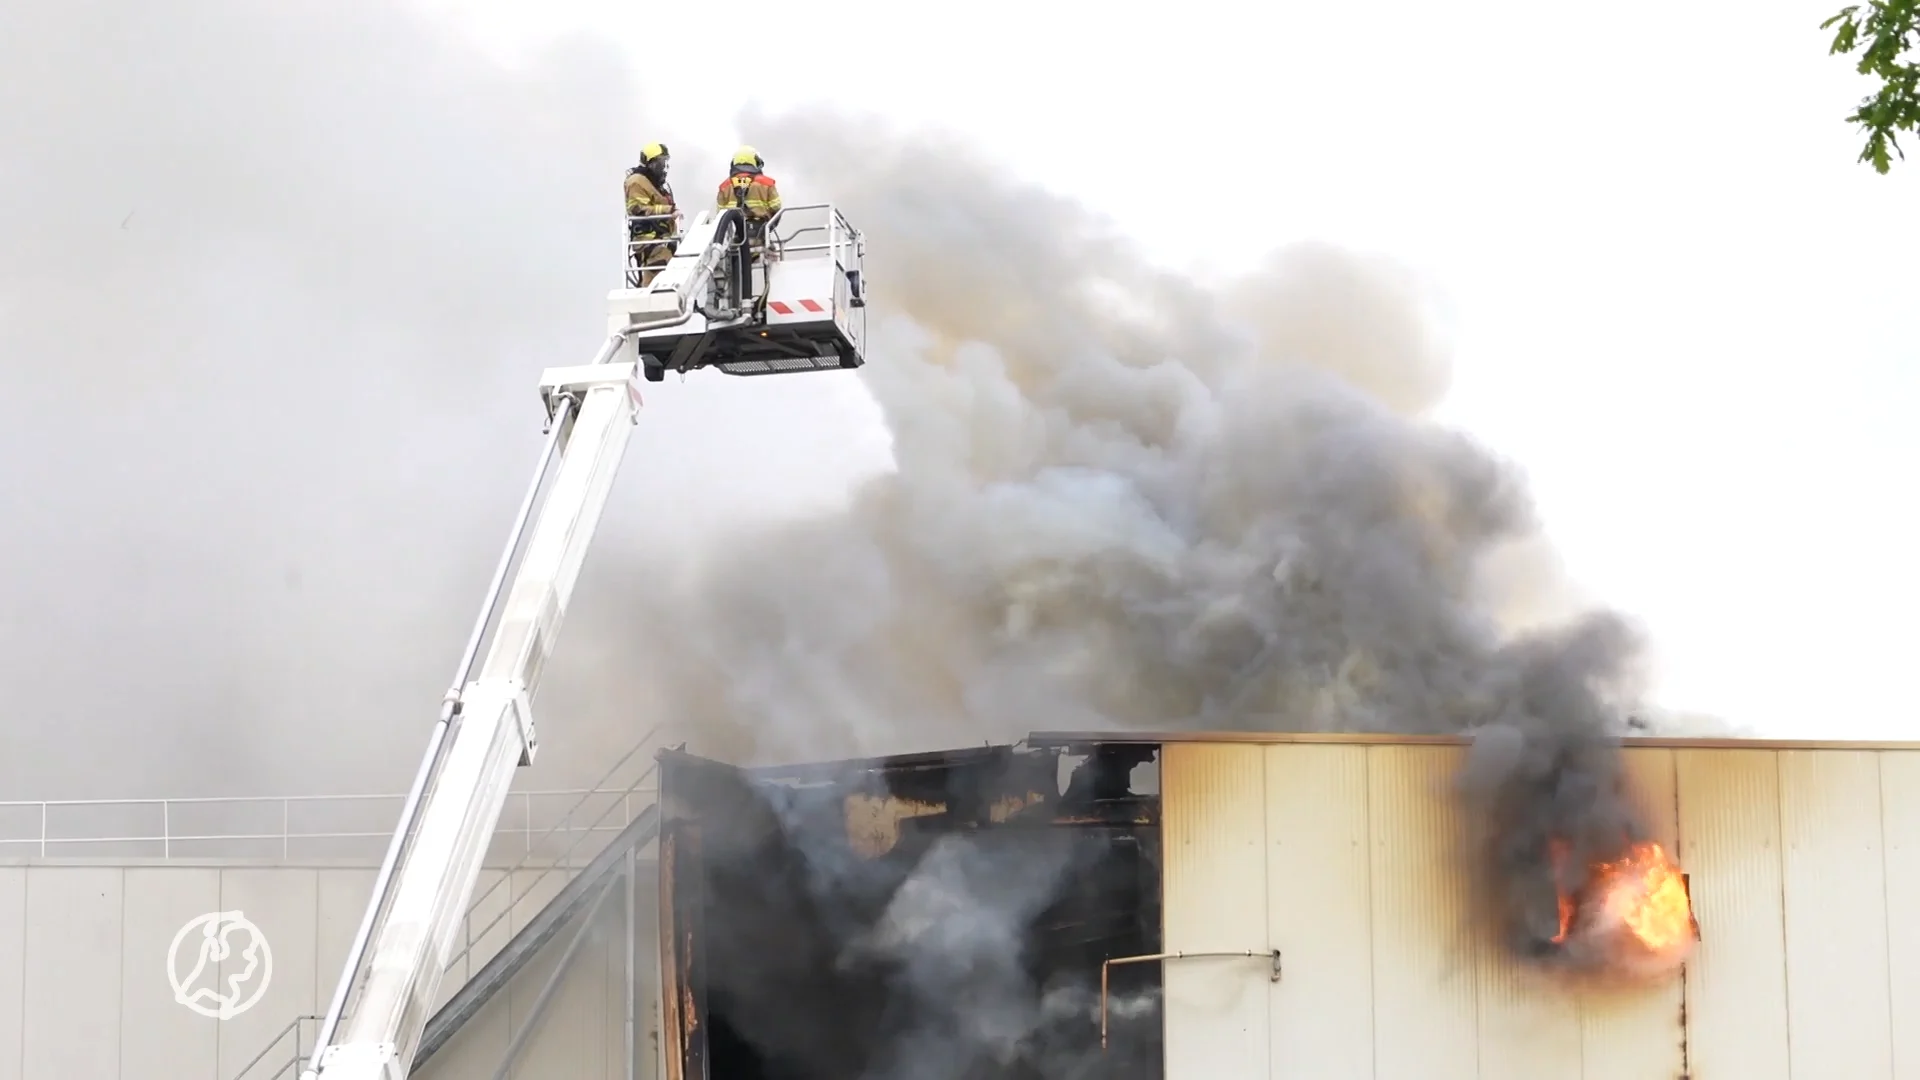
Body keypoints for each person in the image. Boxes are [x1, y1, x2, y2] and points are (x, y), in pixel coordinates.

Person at [624, 143, 678, 286]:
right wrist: (667, 211)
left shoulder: (655, 184)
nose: (664, 169)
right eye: (661, 163)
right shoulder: (637, 182)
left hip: (663, 241)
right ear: (651, 163)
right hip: (649, 241)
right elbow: (638, 209)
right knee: (656, 282)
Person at [714, 145, 782, 245]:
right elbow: (776, 207)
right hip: (760, 232)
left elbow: (720, 214)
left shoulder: (724, 186)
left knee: (736, 258)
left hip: (735, 235)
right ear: (755, 161)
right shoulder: (767, 183)